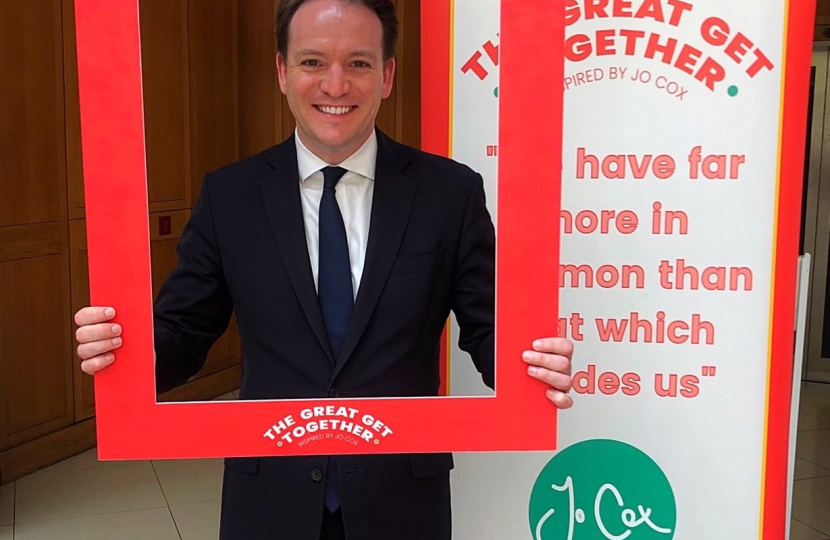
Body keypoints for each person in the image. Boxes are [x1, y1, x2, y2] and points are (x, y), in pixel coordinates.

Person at [74, 1, 574, 538]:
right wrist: (124, 352)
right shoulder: (231, 196)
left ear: (386, 76)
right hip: (269, 497)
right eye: (313, 62)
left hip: (401, 497)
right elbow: (184, 333)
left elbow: (489, 329)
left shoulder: (449, 194)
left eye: (358, 63)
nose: (335, 86)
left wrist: (532, 368)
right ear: (283, 72)